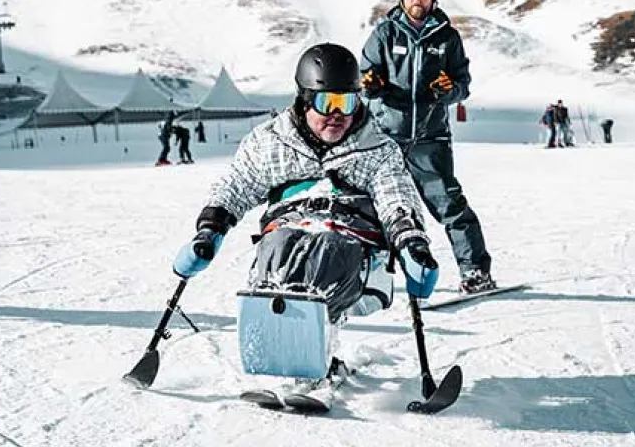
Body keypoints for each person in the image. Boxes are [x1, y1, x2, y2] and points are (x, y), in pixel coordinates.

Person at [171, 42, 438, 333]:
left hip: (353, 245)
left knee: (330, 248)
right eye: (328, 103)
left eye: (346, 102)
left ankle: (306, 331)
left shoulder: (377, 148)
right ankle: (275, 324)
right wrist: (210, 229)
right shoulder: (271, 141)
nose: (338, 114)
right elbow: (238, 184)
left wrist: (411, 243)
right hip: (289, 228)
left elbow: (395, 196)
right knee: (279, 243)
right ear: (305, 100)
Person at [359, 0, 495, 295]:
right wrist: (371, 84)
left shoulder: (447, 38)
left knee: (450, 206)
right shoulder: (384, 33)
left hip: (430, 140)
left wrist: (449, 90)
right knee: (368, 207)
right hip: (386, 138)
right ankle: (365, 277)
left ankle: (475, 272)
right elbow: (363, 78)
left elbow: (463, 85)